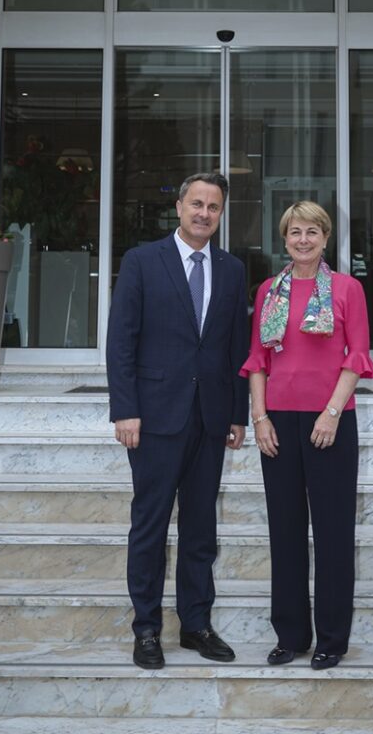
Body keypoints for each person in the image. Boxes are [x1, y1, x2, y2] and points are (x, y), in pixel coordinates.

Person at [106, 172, 249, 670]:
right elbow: (121, 340)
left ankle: (196, 625)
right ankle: (146, 629)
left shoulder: (232, 269)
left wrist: (237, 414)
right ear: (179, 206)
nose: (204, 213)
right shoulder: (143, 261)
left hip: (210, 419)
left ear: (221, 214)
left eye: (213, 206)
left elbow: (236, 347)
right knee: (149, 526)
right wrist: (125, 409)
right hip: (154, 418)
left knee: (200, 529)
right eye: (197, 203)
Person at [240, 201, 373, 670]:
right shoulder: (268, 291)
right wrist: (260, 417)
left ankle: (331, 640)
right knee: (285, 532)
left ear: (325, 238)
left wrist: (332, 412)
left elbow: (357, 356)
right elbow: (258, 359)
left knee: (334, 533)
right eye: (295, 232)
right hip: (279, 422)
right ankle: (291, 635)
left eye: (312, 232)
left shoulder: (347, 289)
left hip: (330, 421)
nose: (303, 240)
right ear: (284, 239)